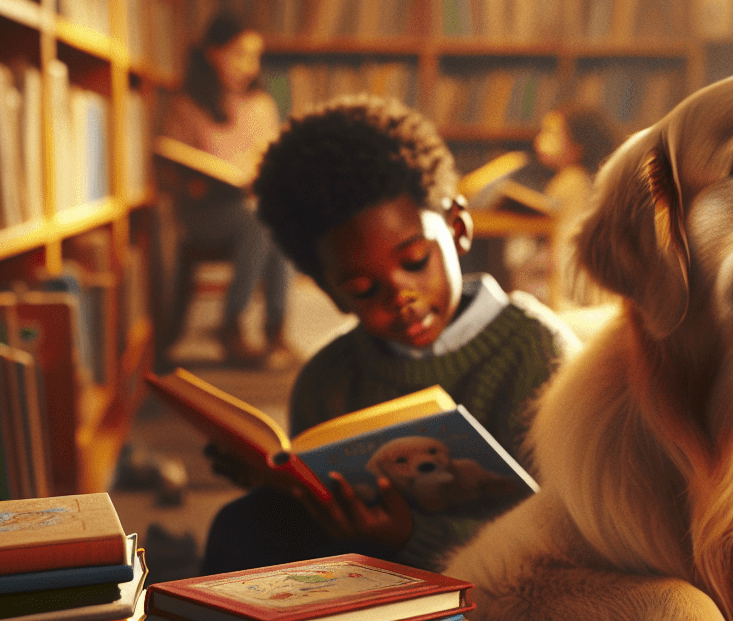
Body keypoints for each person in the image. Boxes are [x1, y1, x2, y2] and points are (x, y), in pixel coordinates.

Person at [200, 95, 579, 574]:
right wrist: (280, 484)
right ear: (332, 293)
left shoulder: (537, 352)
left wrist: (408, 537)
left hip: (506, 587)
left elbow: (569, 533)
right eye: (362, 288)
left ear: (458, 229)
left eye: (416, 261)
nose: (402, 296)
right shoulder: (328, 378)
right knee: (244, 524)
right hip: (363, 580)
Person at [160, 13, 291, 368]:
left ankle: (275, 329)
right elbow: (172, 162)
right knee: (259, 220)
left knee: (273, 218)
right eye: (239, 54)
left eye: (255, 56)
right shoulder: (186, 105)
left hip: (250, 206)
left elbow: (273, 160)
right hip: (205, 212)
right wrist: (197, 180)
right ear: (213, 53)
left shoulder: (262, 105)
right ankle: (231, 324)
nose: (248, 66)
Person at [520, 104, 623, 309]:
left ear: (578, 146)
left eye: (552, 133)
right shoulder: (593, 181)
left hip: (570, 290)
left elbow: (565, 247)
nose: (540, 140)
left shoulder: (571, 180)